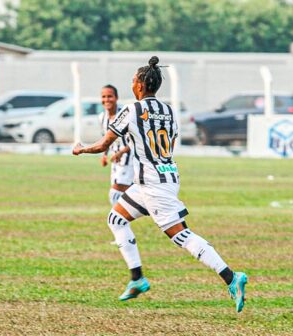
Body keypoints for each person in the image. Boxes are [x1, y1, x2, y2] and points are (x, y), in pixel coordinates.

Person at [73, 56, 247, 312]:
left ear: (141, 86)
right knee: (116, 219)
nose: (132, 85)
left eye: (133, 81)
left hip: (154, 185)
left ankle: (232, 278)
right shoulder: (168, 110)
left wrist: (80, 149)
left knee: (182, 236)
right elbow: (167, 141)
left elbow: (103, 144)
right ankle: (137, 279)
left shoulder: (131, 110)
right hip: (162, 177)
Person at [99, 84, 134, 205]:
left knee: (115, 193)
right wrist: (104, 154)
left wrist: (122, 152)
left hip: (129, 160)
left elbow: (136, 140)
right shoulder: (102, 117)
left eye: (110, 96)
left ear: (116, 98)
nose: (106, 99)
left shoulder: (125, 115)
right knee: (126, 194)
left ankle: (118, 222)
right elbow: (106, 139)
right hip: (115, 160)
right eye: (104, 97)